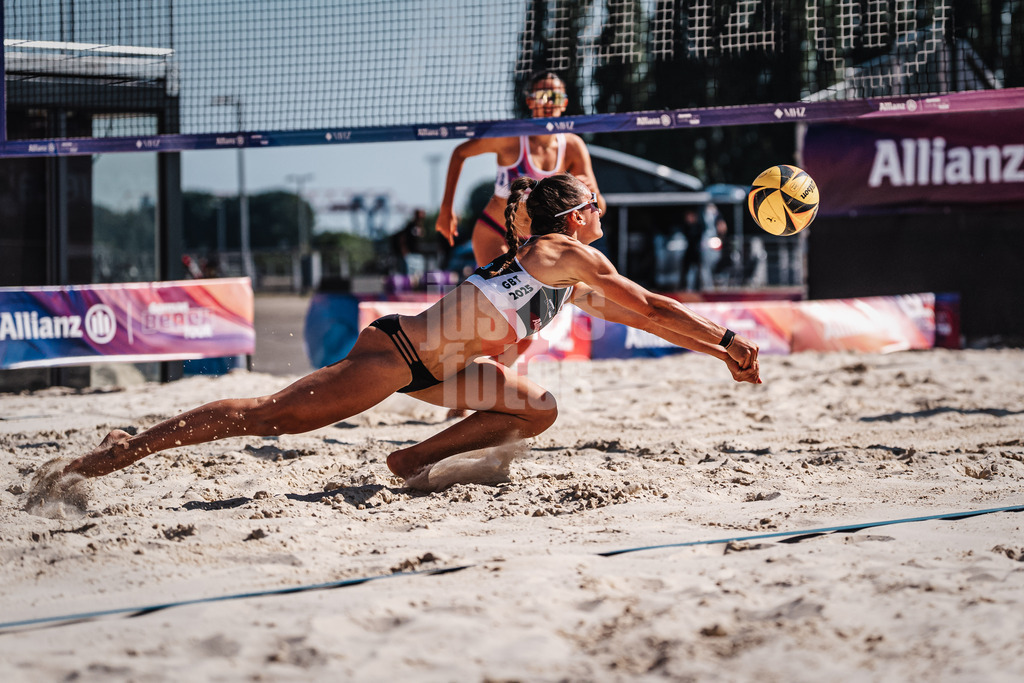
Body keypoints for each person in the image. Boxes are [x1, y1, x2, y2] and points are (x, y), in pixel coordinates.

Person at [62, 173, 760, 485]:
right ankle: (129, 447)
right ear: (573, 217)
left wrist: (716, 353)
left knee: (538, 408)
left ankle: (410, 461)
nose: (601, 206)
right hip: (398, 353)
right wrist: (728, 338)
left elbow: (649, 318)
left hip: (447, 373)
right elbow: (650, 299)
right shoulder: (562, 252)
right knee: (271, 416)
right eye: (594, 203)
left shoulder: (564, 277)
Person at [435, 72, 605, 269]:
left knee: (553, 298)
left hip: (542, 240)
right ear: (530, 102)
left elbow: (600, 208)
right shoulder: (510, 138)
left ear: (564, 103)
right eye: (542, 96)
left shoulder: (573, 146)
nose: (548, 102)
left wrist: (596, 193)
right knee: (502, 296)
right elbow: (460, 153)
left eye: (555, 97)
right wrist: (447, 208)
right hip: (497, 231)